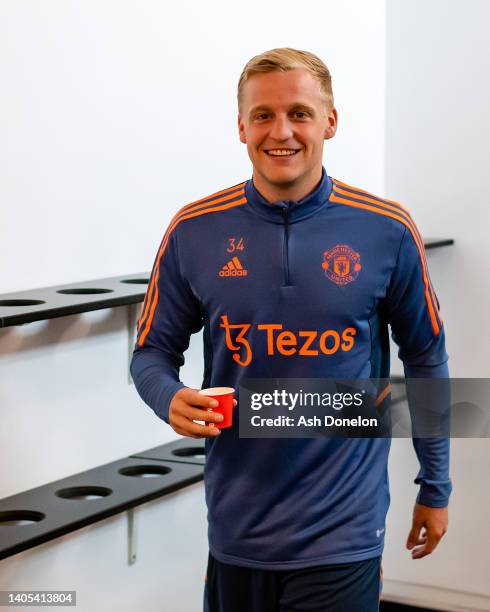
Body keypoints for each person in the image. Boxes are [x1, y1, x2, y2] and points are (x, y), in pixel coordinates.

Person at [130, 48, 451, 612]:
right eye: (263, 115)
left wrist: (436, 486)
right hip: (236, 529)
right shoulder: (193, 230)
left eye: (300, 113)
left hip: (343, 532)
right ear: (240, 126)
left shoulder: (386, 229)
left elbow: (426, 358)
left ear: (330, 120)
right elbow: (151, 352)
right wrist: (170, 397)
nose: (282, 132)